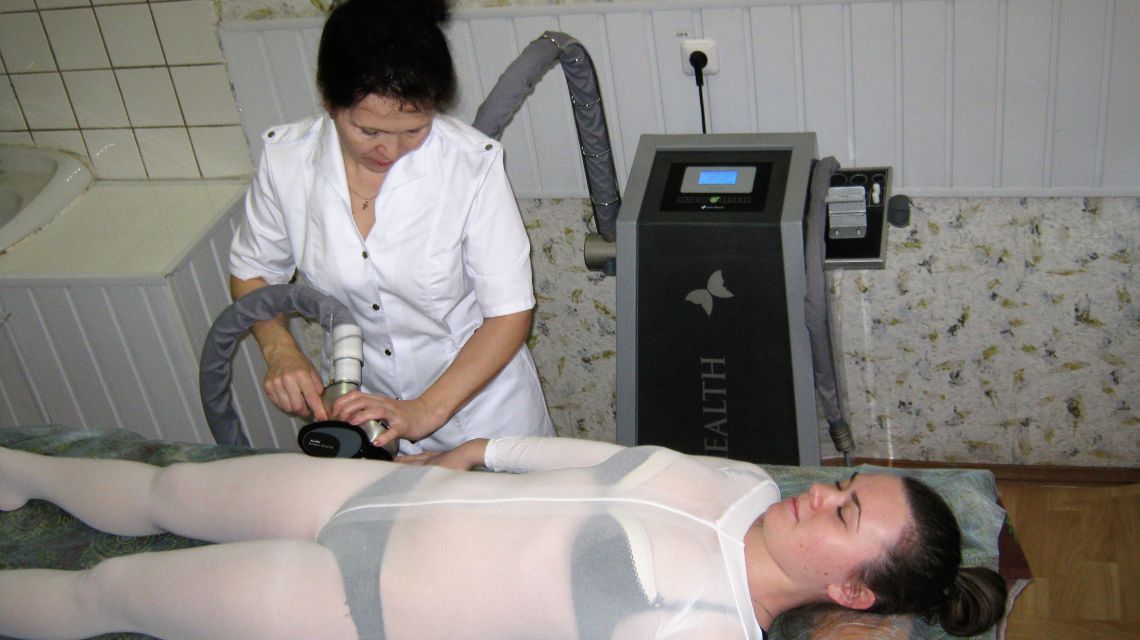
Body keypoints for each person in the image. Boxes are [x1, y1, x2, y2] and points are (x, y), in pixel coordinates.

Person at [0, 438, 1006, 639]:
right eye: (842, 484)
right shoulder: (745, 484)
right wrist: (475, 451)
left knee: (112, 593)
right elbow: (593, 456)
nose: (818, 495)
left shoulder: (702, 631)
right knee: (169, 487)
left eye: (844, 515)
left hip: (350, 605)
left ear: (855, 591)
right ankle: (20, 468)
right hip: (375, 492)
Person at [228, 0, 554, 454]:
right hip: (362, 410)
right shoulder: (286, 163)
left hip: (480, 411)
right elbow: (253, 273)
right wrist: (279, 349)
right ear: (327, 99)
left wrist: (424, 409)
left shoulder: (469, 166)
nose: (390, 150)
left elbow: (509, 312)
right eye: (368, 131)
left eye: (413, 130)